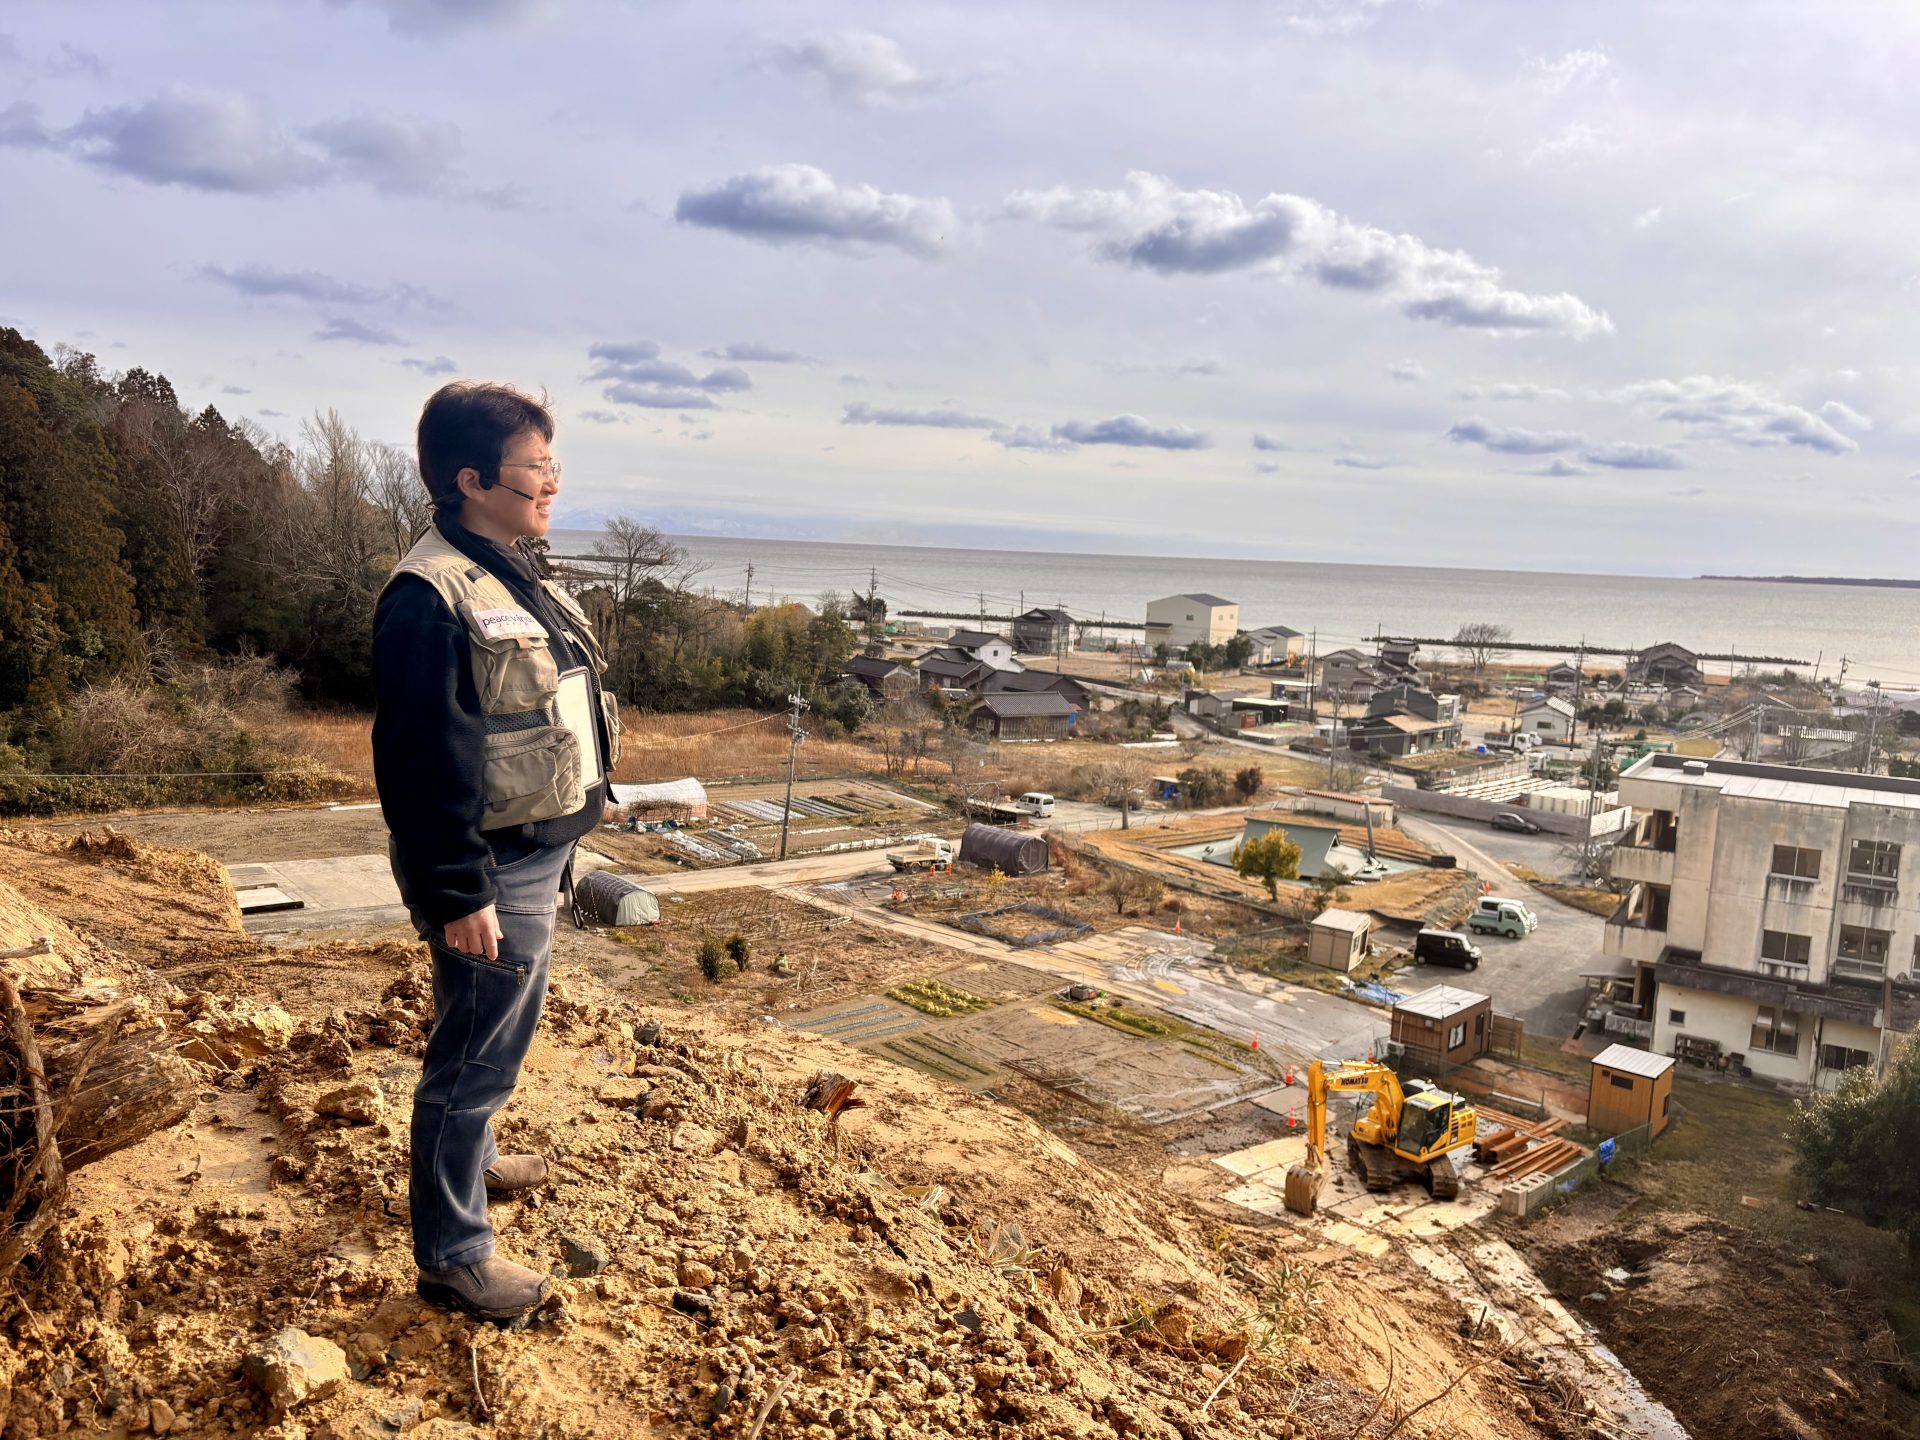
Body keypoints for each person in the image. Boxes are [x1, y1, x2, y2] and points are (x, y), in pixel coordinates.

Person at [372, 382, 622, 1321]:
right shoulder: (428, 596)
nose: (552, 484)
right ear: (471, 479)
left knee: (491, 1041)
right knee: (473, 1060)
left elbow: (539, 711)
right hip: (487, 869)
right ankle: (453, 1254)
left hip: (533, 854)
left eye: (555, 467)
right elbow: (419, 758)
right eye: (536, 469)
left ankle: (471, 1168)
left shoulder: (510, 568)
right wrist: (454, 886)